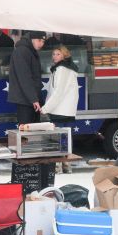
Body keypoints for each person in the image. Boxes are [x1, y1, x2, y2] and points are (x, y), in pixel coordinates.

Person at [41, 45, 79, 174]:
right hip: (67, 108)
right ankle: (67, 165)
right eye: (53, 54)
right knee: (66, 137)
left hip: (59, 108)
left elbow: (57, 91)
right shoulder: (68, 68)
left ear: (64, 55)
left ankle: (57, 166)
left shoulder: (61, 69)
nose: (54, 56)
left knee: (57, 137)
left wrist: (46, 108)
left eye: (58, 54)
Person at [8, 31, 46, 124]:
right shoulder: (22, 51)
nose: (41, 44)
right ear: (32, 39)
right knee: (26, 131)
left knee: (34, 130)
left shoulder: (30, 51)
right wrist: (34, 99)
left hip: (31, 99)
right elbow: (25, 77)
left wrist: (35, 98)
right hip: (25, 99)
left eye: (43, 41)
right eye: (39, 40)